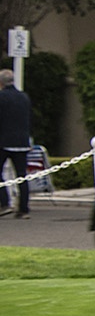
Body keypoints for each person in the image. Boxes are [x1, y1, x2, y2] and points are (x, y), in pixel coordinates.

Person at [0, 68, 32, 218]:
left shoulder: (2, 97)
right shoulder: (24, 97)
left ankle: (5, 203)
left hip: (4, 141)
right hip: (22, 141)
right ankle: (24, 208)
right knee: (22, 176)